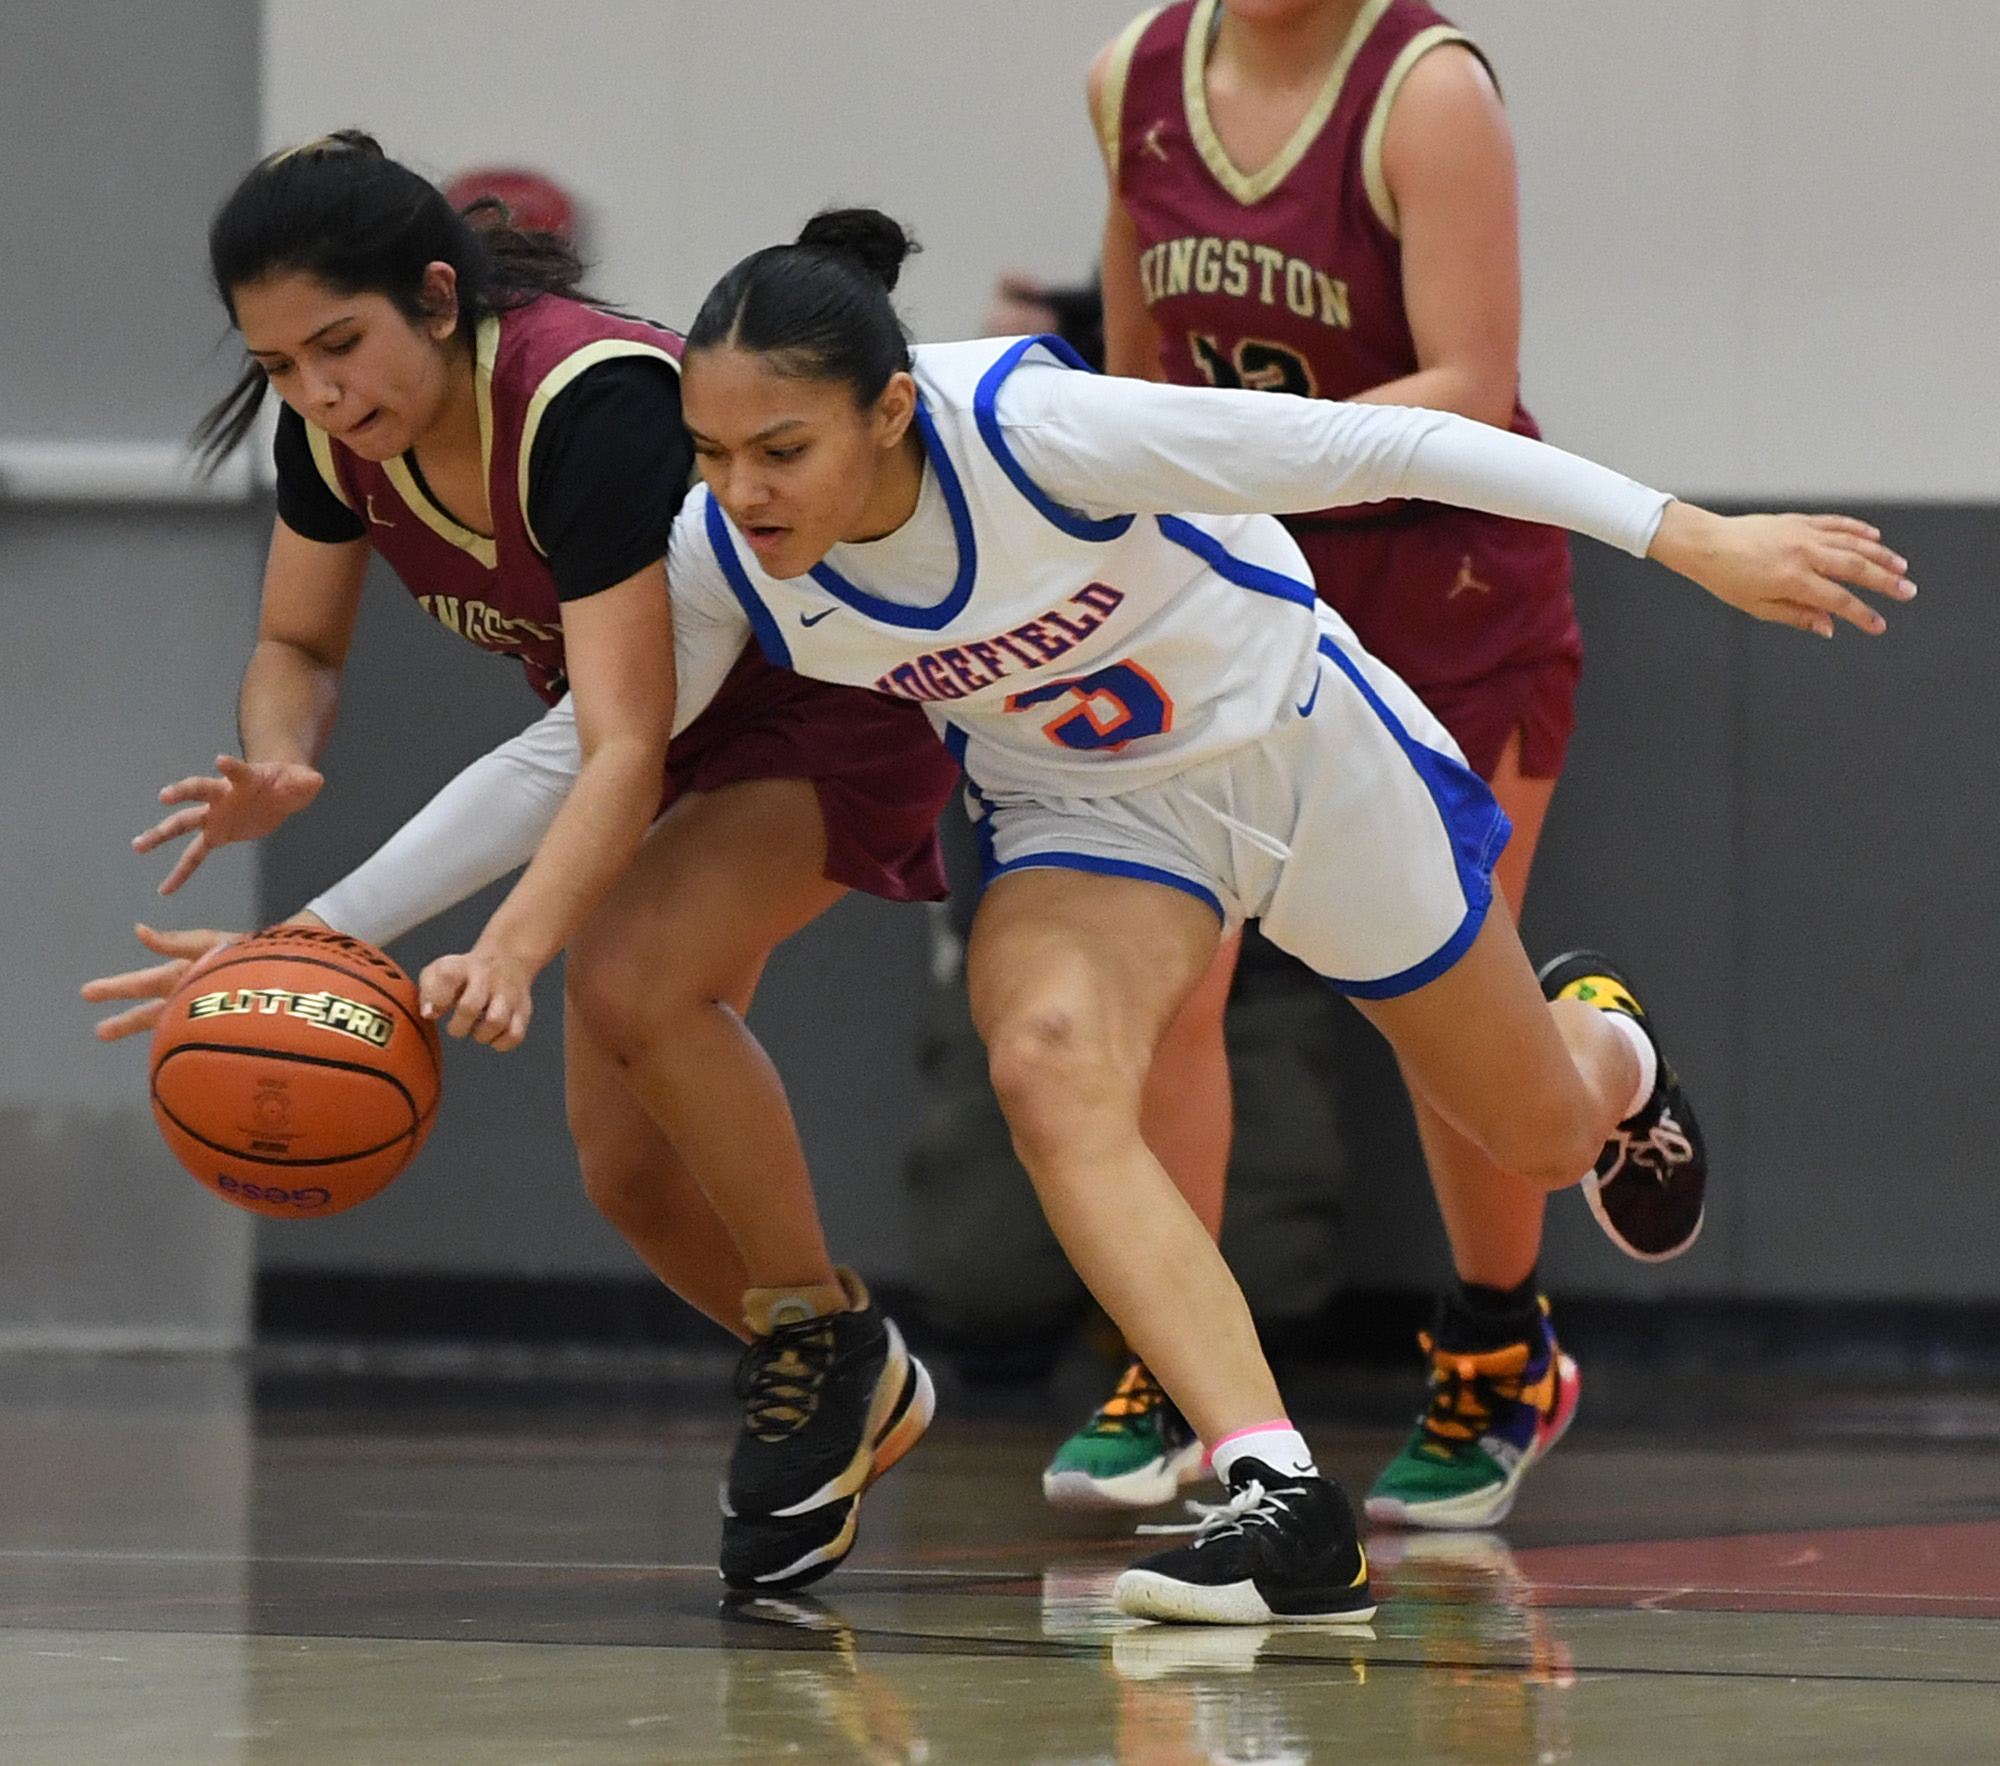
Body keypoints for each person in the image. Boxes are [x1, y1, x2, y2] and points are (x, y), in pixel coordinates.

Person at [302, 206, 1901, 1621]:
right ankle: (1278, 1492)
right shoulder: (730, 551)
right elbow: (584, 745)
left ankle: (1607, 1049)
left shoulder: (1038, 428)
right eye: (714, 454)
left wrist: (1691, 535)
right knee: (1049, 1058)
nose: (741, 487)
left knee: (1540, 1137)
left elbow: (1385, 450)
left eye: (780, 449)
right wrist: (332, 931)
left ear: (889, 412)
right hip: (1092, 822)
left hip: (1301, 749)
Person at [88, 135, 962, 1594]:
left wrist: (404, 938)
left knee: (630, 973)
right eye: (281, 363)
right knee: (624, 1170)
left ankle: (824, 1337)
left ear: (438, 297)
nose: (316, 391)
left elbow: (617, 744)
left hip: (824, 698)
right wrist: (282, 751)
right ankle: (838, 1365)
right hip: (646, 732)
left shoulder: (588, 406)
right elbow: (296, 643)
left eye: (339, 347)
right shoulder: (335, 433)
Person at [1043, 0, 1662, 1528]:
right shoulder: (1135, 72)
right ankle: (1181, 1365)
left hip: (1444, 591)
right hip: (1240, 593)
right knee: (1175, 981)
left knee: (1439, 1004)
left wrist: (1238, 456)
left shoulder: (1427, 89)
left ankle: (1500, 1346)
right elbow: (1138, 379)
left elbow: (1467, 377)